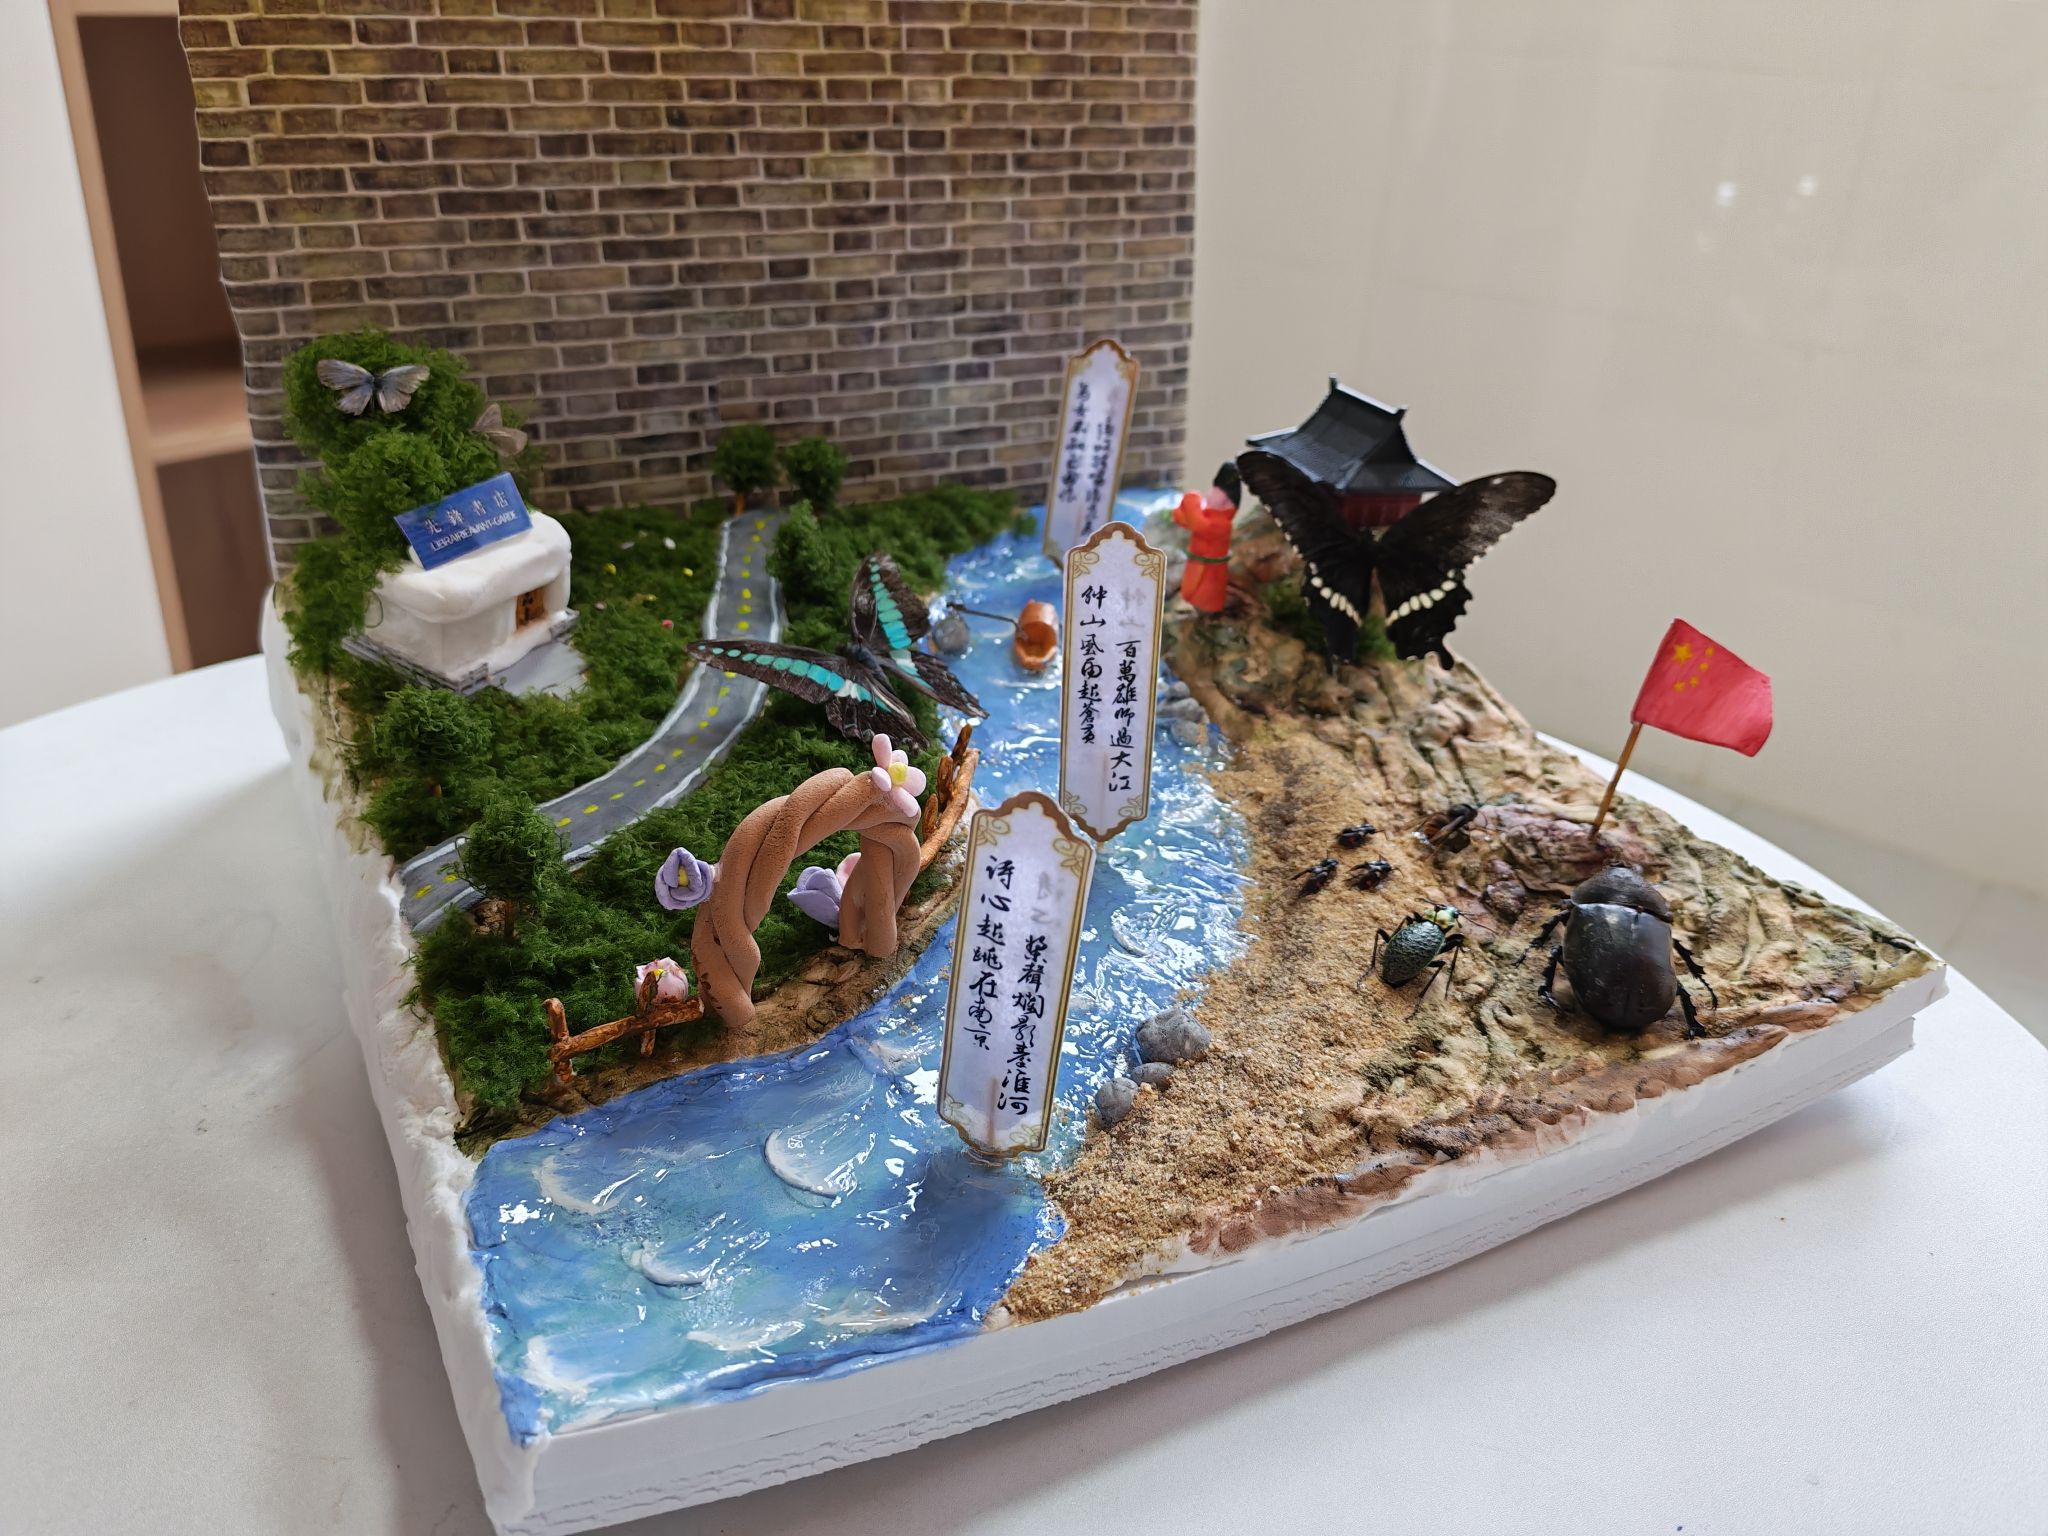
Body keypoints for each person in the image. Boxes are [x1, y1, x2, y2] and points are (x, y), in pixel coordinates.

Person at [1173, 461, 1242, 614]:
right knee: (1190, 593)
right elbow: (1180, 517)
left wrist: (1191, 499)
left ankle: (1207, 613)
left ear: (1228, 503)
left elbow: (1198, 525)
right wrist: (1185, 508)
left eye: (1218, 492)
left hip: (1210, 572)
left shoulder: (1223, 525)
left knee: (1205, 599)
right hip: (1195, 565)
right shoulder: (1207, 514)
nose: (1210, 493)